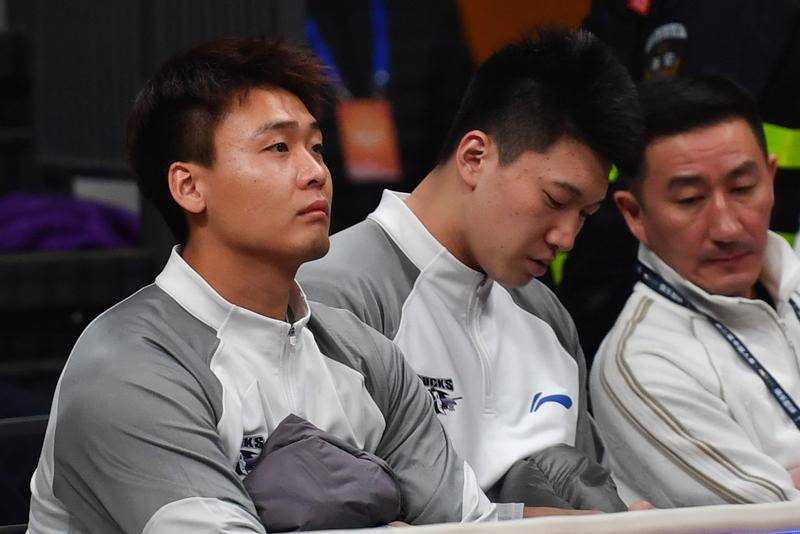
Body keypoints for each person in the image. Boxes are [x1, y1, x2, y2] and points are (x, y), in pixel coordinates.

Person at [26, 37, 497, 533]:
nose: (316, 173)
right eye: (279, 148)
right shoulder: (127, 370)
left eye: (317, 148)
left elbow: (474, 527)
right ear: (189, 186)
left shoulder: (366, 354)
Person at [299, 27, 643, 512]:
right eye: (555, 201)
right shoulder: (332, 295)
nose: (566, 238)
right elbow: (331, 513)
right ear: (475, 157)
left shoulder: (547, 316)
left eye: (585, 214)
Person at [590, 75, 800, 508]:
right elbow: (768, 518)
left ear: (771, 179)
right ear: (634, 214)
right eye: (689, 199)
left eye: (743, 189)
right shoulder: (641, 361)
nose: (727, 227)